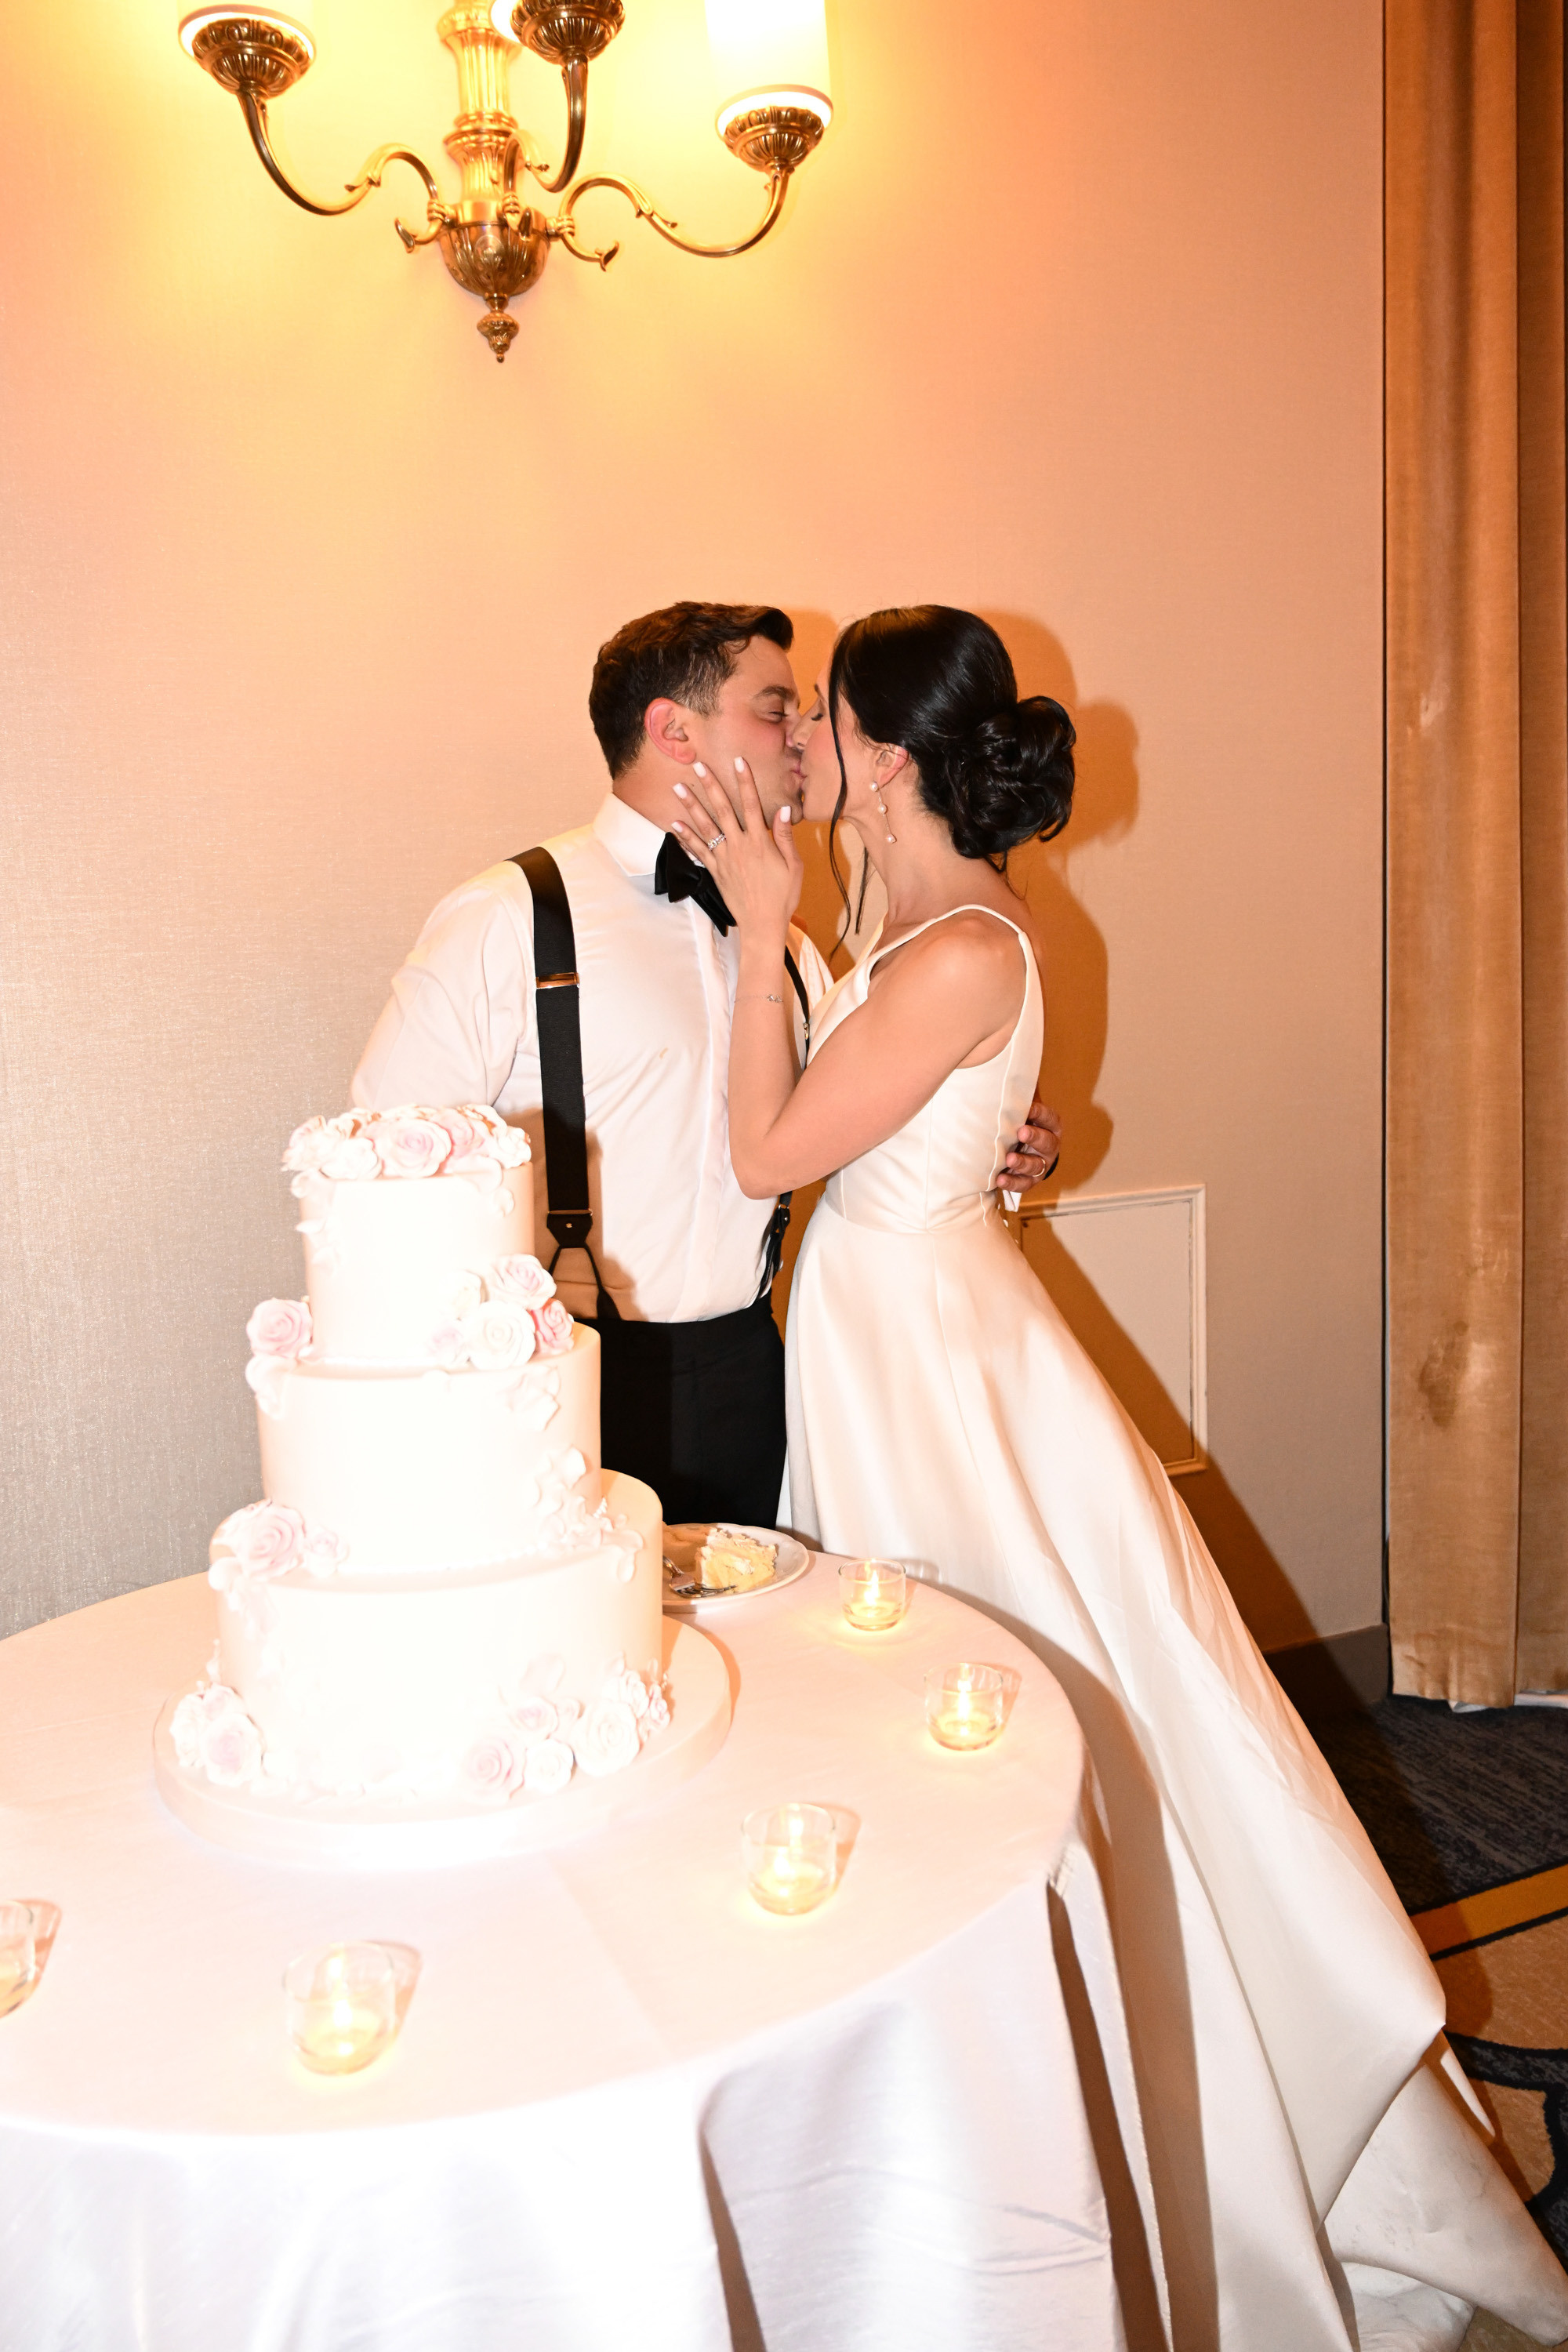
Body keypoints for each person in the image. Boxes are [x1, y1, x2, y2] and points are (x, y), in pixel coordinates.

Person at [670, 604, 1568, 2352]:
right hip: (908, 1316)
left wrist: (763, 927)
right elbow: (920, 1113)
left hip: (931, 1355)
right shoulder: (923, 921)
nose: (811, 755)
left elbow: (772, 1148)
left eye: (832, 727)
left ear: (890, 755)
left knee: (996, 1694)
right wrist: (992, 1123)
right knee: (958, 1689)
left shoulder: (948, 944)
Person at [352, 600, 1061, 1527]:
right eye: (774, 710)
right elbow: (381, 1178)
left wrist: (1004, 1137)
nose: (800, 740)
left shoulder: (796, 954)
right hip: (566, 1380)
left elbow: (858, 1119)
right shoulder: (506, 919)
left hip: (757, 1375)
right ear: (671, 730)